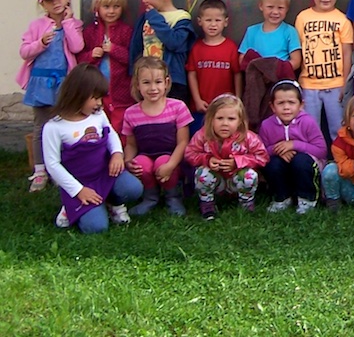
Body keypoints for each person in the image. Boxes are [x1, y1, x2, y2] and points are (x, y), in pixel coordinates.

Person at [42, 64, 143, 233]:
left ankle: (112, 202)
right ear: (77, 95)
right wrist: (78, 190)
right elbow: (52, 165)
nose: (99, 103)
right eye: (95, 98)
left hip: (105, 173)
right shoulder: (54, 127)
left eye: (101, 98)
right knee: (96, 227)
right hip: (80, 183)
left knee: (134, 189)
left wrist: (117, 154)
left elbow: (110, 134)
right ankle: (70, 208)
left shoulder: (98, 114)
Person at [20, 0, 84, 191]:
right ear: (43, 4)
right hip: (40, 83)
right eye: (49, 0)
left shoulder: (74, 24)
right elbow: (24, 51)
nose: (55, 2)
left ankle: (59, 168)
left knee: (63, 125)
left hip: (63, 83)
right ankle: (40, 170)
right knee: (41, 125)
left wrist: (67, 23)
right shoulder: (37, 25)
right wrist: (40, 43)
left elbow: (77, 47)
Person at [122, 57, 191, 217]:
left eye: (158, 82)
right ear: (138, 85)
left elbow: (183, 142)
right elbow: (131, 144)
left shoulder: (178, 107)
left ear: (166, 83)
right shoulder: (131, 113)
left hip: (171, 158)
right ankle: (150, 197)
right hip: (146, 155)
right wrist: (128, 161)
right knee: (141, 164)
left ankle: (173, 196)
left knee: (163, 162)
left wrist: (171, 164)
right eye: (146, 83)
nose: (153, 88)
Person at [184, 94, 269, 220]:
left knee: (249, 176)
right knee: (202, 173)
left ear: (240, 121)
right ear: (211, 119)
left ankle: (246, 204)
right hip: (216, 180)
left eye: (231, 119)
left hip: (236, 180)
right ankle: (207, 205)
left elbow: (262, 157)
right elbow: (190, 153)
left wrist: (238, 162)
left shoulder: (248, 137)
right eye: (219, 118)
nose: (225, 123)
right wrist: (207, 159)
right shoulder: (203, 135)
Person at [295, 0, 354, 142]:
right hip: (309, 84)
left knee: (338, 129)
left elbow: (347, 53)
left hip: (335, 85)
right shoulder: (302, 18)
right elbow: (298, 49)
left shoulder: (342, 20)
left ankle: (339, 158)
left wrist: (345, 83)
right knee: (309, 128)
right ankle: (313, 157)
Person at [258, 80, 328, 214]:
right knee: (271, 163)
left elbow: (321, 151)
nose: (286, 107)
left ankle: (307, 198)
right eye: (280, 103)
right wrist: (277, 150)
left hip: (305, 167)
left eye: (291, 102)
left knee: (300, 161)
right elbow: (260, 152)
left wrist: (294, 145)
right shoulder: (266, 125)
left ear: (301, 105)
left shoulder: (307, 122)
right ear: (272, 106)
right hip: (282, 167)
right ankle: (282, 197)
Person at [128, 0, 196, 103]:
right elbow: (136, 46)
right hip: (147, 79)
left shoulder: (181, 18)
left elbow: (175, 42)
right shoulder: (146, 17)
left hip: (173, 81)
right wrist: (134, 73)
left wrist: (155, 18)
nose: (143, 0)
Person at [78, 0, 133, 145]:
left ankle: (120, 155)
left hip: (120, 93)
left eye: (116, 6)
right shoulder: (90, 32)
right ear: (97, 7)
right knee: (97, 127)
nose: (111, 11)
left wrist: (114, 49)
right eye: (106, 6)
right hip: (96, 92)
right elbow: (79, 61)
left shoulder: (126, 31)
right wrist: (91, 55)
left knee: (119, 128)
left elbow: (132, 59)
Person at [186, 0, 242, 135]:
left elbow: (237, 74)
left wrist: (238, 99)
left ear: (225, 22)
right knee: (199, 140)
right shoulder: (196, 48)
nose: (213, 24)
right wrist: (197, 100)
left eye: (217, 20)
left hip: (226, 107)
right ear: (200, 21)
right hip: (202, 107)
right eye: (208, 20)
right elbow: (191, 74)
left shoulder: (231, 47)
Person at [238, 0, 302, 72]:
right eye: (270, 7)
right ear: (261, 6)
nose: (275, 12)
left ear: (287, 8)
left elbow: (296, 61)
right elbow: (242, 59)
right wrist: (260, 69)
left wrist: (276, 70)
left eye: (280, 8)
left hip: (281, 77)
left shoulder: (289, 31)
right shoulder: (251, 31)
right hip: (257, 76)